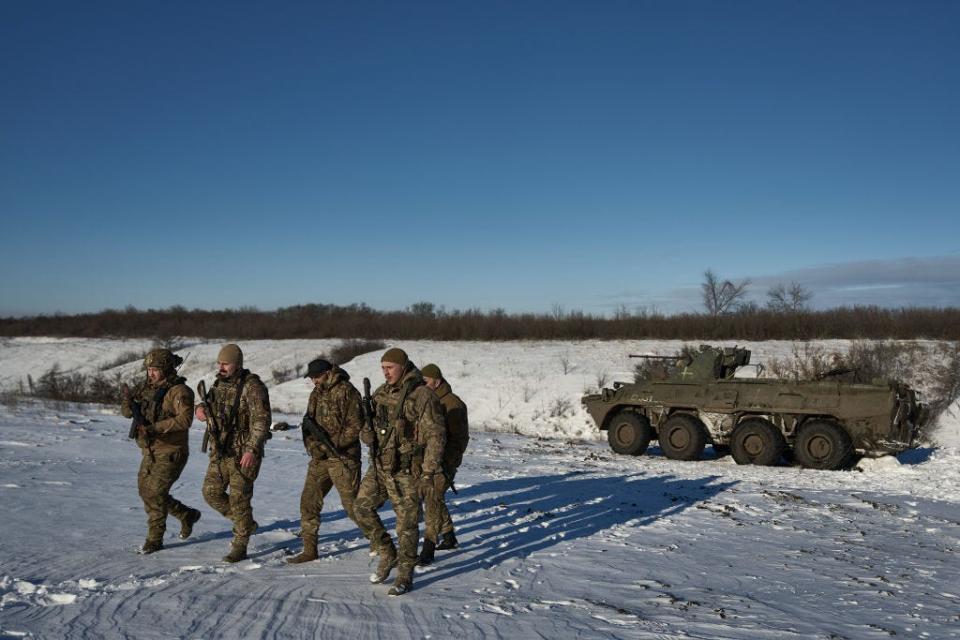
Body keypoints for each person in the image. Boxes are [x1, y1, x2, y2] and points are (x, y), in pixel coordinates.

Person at [353, 348, 445, 596]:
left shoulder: (422, 395)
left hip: (407, 470)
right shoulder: (381, 393)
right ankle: (387, 553)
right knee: (360, 507)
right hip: (380, 466)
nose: (385, 372)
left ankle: (405, 574)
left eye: (390, 367)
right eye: (383, 368)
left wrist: (427, 472)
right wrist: (366, 434)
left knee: (407, 525)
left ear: (403, 367)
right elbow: (367, 424)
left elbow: (436, 436)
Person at [195, 344, 271, 562]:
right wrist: (199, 408)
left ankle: (240, 544)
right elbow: (209, 403)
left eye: (226, 363)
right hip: (220, 451)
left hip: (243, 454)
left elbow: (262, 421)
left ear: (238, 364)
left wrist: (252, 449)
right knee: (211, 493)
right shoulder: (219, 384)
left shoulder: (252, 387)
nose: (222, 367)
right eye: (219, 363)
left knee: (240, 500)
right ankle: (245, 523)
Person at [121, 348, 201, 554]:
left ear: (166, 368)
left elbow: (185, 420)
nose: (151, 373)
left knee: (155, 493)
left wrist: (154, 428)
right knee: (145, 492)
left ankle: (155, 539)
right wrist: (129, 404)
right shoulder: (147, 388)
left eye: (155, 369)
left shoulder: (180, 391)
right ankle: (186, 514)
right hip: (150, 450)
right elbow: (126, 413)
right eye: (149, 369)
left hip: (171, 451)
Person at [286, 358, 363, 564]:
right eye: (312, 378)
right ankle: (309, 550)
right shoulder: (316, 393)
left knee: (354, 507)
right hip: (320, 459)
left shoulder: (347, 391)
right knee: (308, 503)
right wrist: (313, 447)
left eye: (317, 377)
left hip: (343, 458)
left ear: (329, 372)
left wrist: (333, 445)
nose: (314, 381)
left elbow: (355, 426)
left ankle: (380, 542)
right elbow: (307, 423)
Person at [417, 363, 469, 565]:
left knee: (432, 501)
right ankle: (449, 537)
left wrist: (447, 463)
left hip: (444, 463)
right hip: (430, 460)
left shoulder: (452, 404)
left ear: (436, 382)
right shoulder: (427, 401)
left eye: (426, 382)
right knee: (434, 499)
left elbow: (460, 439)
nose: (422, 385)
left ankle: (428, 548)